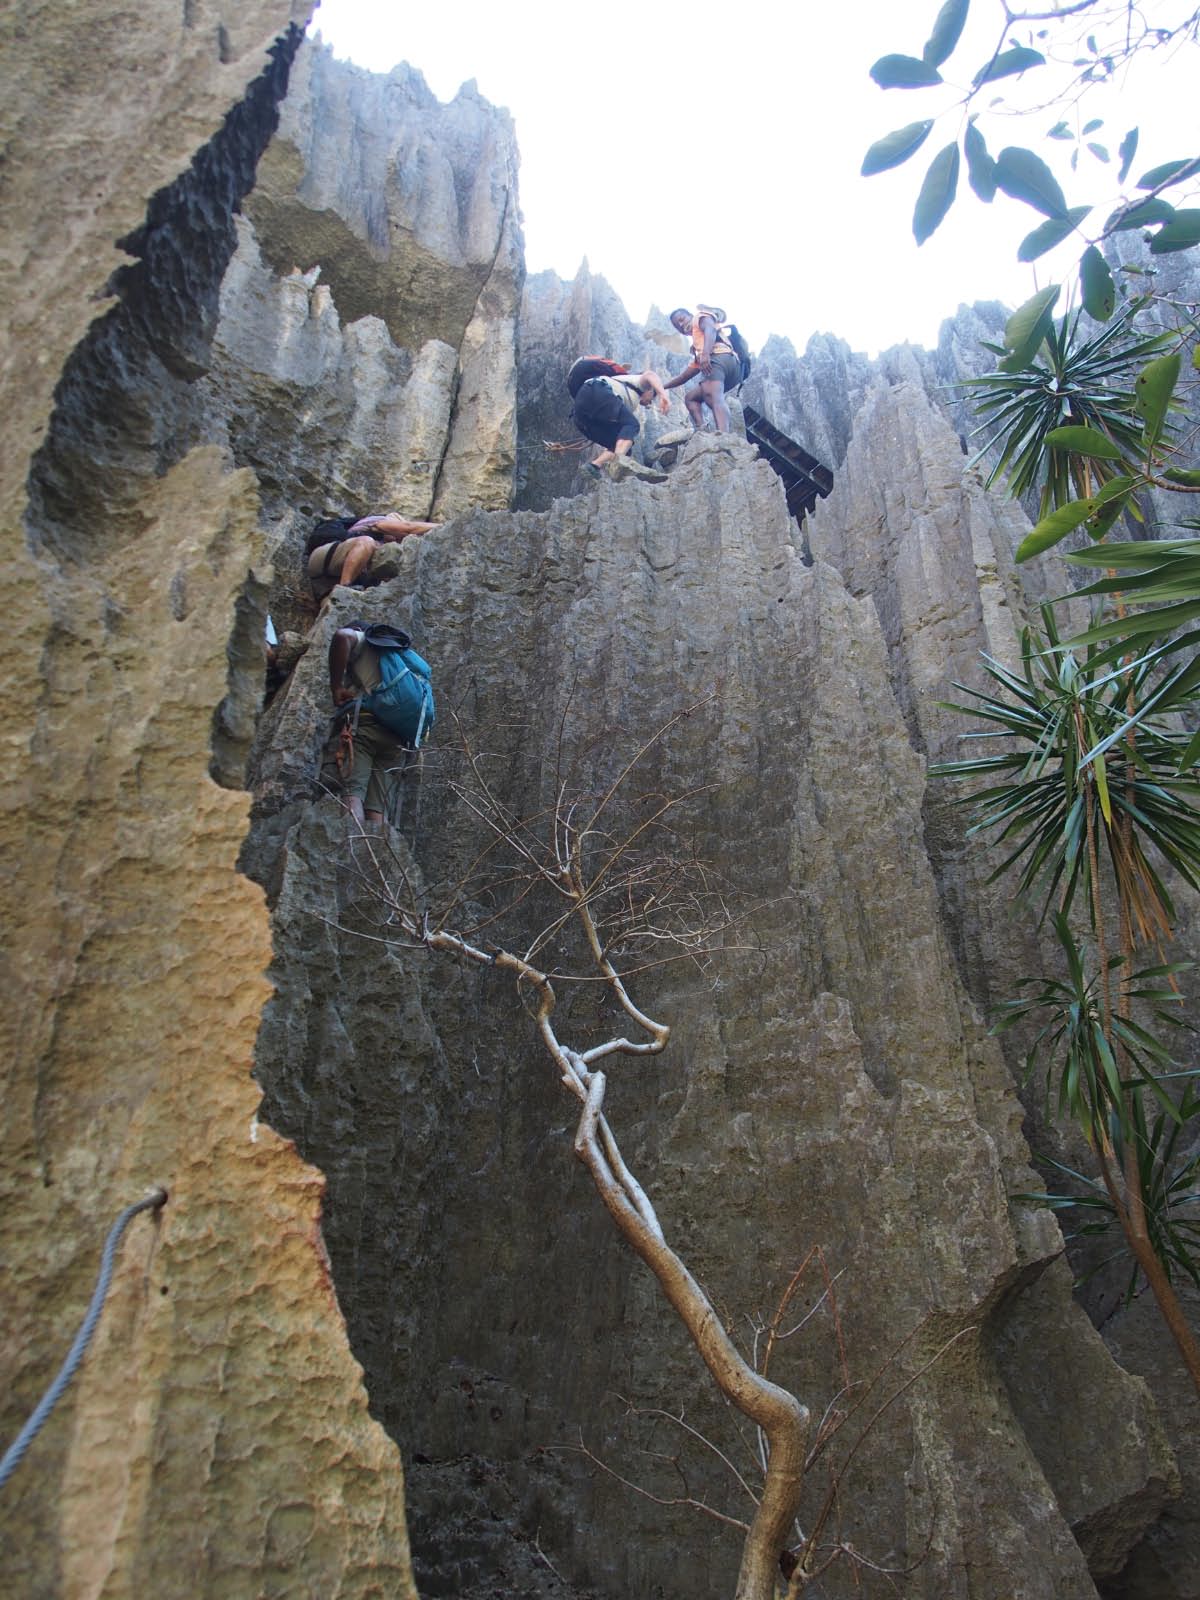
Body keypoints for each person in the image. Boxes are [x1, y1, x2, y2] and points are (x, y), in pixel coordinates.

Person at [327, 620, 409, 827]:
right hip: (398, 736)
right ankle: (378, 856)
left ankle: (351, 851)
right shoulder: (401, 659)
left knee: (353, 793)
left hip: (366, 727)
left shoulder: (364, 640)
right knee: (377, 809)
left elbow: (342, 637)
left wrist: (336, 687)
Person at [568, 359, 671, 481]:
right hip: (597, 390)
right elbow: (650, 375)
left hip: (581, 414)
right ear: (649, 390)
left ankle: (594, 466)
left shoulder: (627, 398)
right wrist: (663, 395)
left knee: (624, 445)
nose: (650, 402)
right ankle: (617, 463)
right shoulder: (637, 383)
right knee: (632, 425)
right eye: (652, 396)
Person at [307, 511, 440, 602]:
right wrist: (445, 527)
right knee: (367, 542)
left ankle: (344, 595)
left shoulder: (386, 547)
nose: (400, 539)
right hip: (325, 558)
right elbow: (408, 528)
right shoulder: (380, 522)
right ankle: (344, 587)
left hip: (326, 585)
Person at [662, 307, 741, 434]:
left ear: (690, 315)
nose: (682, 325)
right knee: (691, 398)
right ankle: (702, 430)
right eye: (678, 326)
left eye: (682, 319)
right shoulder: (698, 346)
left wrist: (706, 353)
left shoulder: (700, 318)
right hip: (730, 367)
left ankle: (723, 436)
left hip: (720, 358)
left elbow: (710, 329)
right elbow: (684, 377)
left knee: (713, 396)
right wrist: (661, 387)